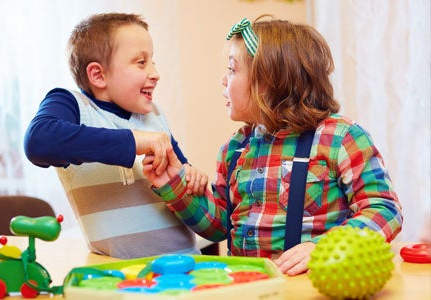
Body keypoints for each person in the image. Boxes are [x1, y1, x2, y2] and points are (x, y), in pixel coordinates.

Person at [142, 15, 403, 275]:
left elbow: (384, 210)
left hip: (314, 285)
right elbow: (220, 226)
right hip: (252, 286)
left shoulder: (340, 138)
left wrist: (325, 247)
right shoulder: (234, 149)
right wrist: (172, 184)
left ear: (268, 81)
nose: (223, 80)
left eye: (232, 69)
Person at [24, 12, 208, 259]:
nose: (155, 73)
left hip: (186, 265)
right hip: (118, 277)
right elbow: (38, 140)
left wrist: (192, 177)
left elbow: (181, 177)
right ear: (98, 75)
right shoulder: (71, 105)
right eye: (141, 63)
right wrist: (133, 140)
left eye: (153, 61)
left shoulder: (155, 115)